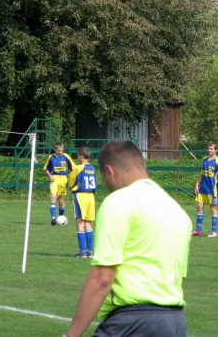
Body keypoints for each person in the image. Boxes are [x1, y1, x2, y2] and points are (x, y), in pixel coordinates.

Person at [65, 140, 192, 337]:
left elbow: (102, 278)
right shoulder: (177, 211)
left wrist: (70, 335)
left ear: (110, 171)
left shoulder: (119, 201)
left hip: (131, 322)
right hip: (175, 322)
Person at [67, 147, 97, 258]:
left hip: (81, 196)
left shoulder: (78, 168)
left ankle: (82, 252)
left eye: (78, 155)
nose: (77, 157)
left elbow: (71, 181)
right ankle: (90, 252)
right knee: (88, 223)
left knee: (80, 222)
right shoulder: (92, 168)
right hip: (91, 196)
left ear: (81, 156)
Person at [193, 140, 218, 237]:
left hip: (211, 190)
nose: (209, 150)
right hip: (202, 188)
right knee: (199, 206)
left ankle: (213, 231)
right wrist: (197, 184)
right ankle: (199, 230)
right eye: (208, 148)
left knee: (213, 208)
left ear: (216, 150)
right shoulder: (204, 160)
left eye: (211, 149)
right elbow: (202, 173)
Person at [44, 142, 76, 225]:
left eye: (61, 150)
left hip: (64, 179)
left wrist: (73, 177)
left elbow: (74, 168)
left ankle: (61, 217)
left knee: (61, 200)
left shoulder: (66, 156)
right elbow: (46, 168)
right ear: (55, 149)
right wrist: (50, 176)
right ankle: (53, 219)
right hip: (54, 179)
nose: (60, 152)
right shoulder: (50, 157)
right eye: (58, 150)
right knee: (54, 196)